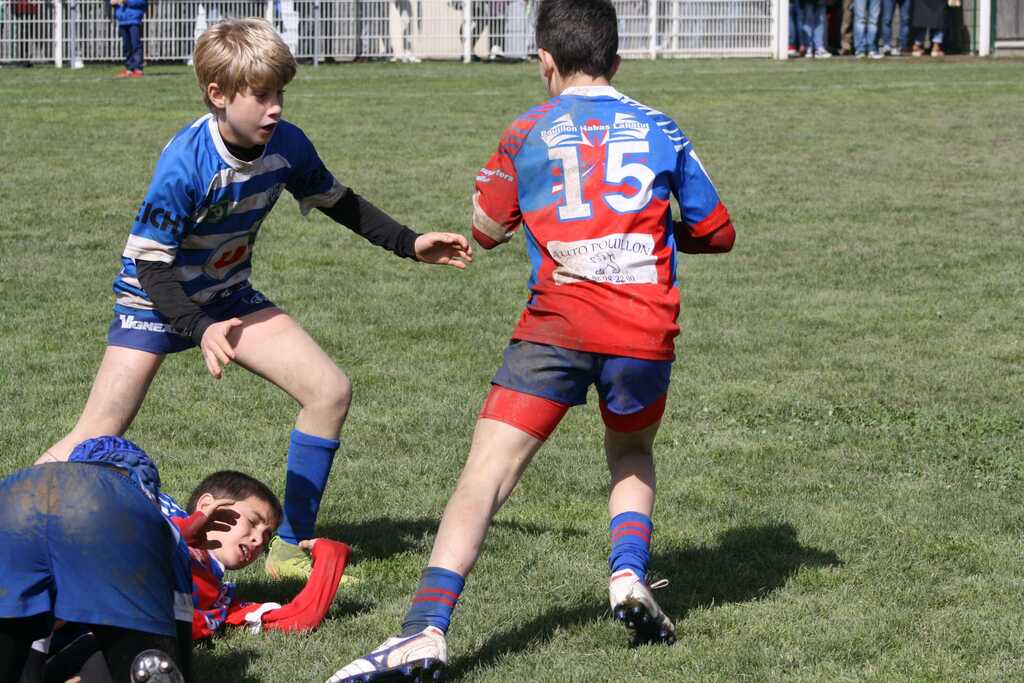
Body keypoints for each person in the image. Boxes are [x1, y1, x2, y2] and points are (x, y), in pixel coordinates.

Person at [326, 0, 735, 680]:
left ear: (545, 61)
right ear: (616, 60)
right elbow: (718, 232)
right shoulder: (662, 127)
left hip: (558, 325)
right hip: (644, 327)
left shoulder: (526, 130)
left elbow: (486, 228)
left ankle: (424, 628)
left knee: (486, 475)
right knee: (631, 450)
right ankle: (627, 574)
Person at [37, 18, 473, 583]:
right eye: (262, 96)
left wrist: (409, 243)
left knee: (328, 391)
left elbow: (337, 200)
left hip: (227, 295)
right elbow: (151, 264)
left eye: (280, 94)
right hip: (154, 300)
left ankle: (290, 549)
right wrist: (198, 327)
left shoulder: (286, 144)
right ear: (218, 94)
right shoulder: (186, 163)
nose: (275, 109)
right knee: (96, 436)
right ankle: (15, 526)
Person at [1, 437, 195, 683]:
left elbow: (31, 637)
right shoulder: (145, 510)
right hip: (107, 511)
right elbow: (176, 644)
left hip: (13, 496)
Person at [111, 0, 146, 77]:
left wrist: (126, 1)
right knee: (126, 46)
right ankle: (129, 69)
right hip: (122, 20)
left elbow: (142, 2)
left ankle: (138, 69)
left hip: (134, 20)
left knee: (135, 45)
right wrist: (113, 2)